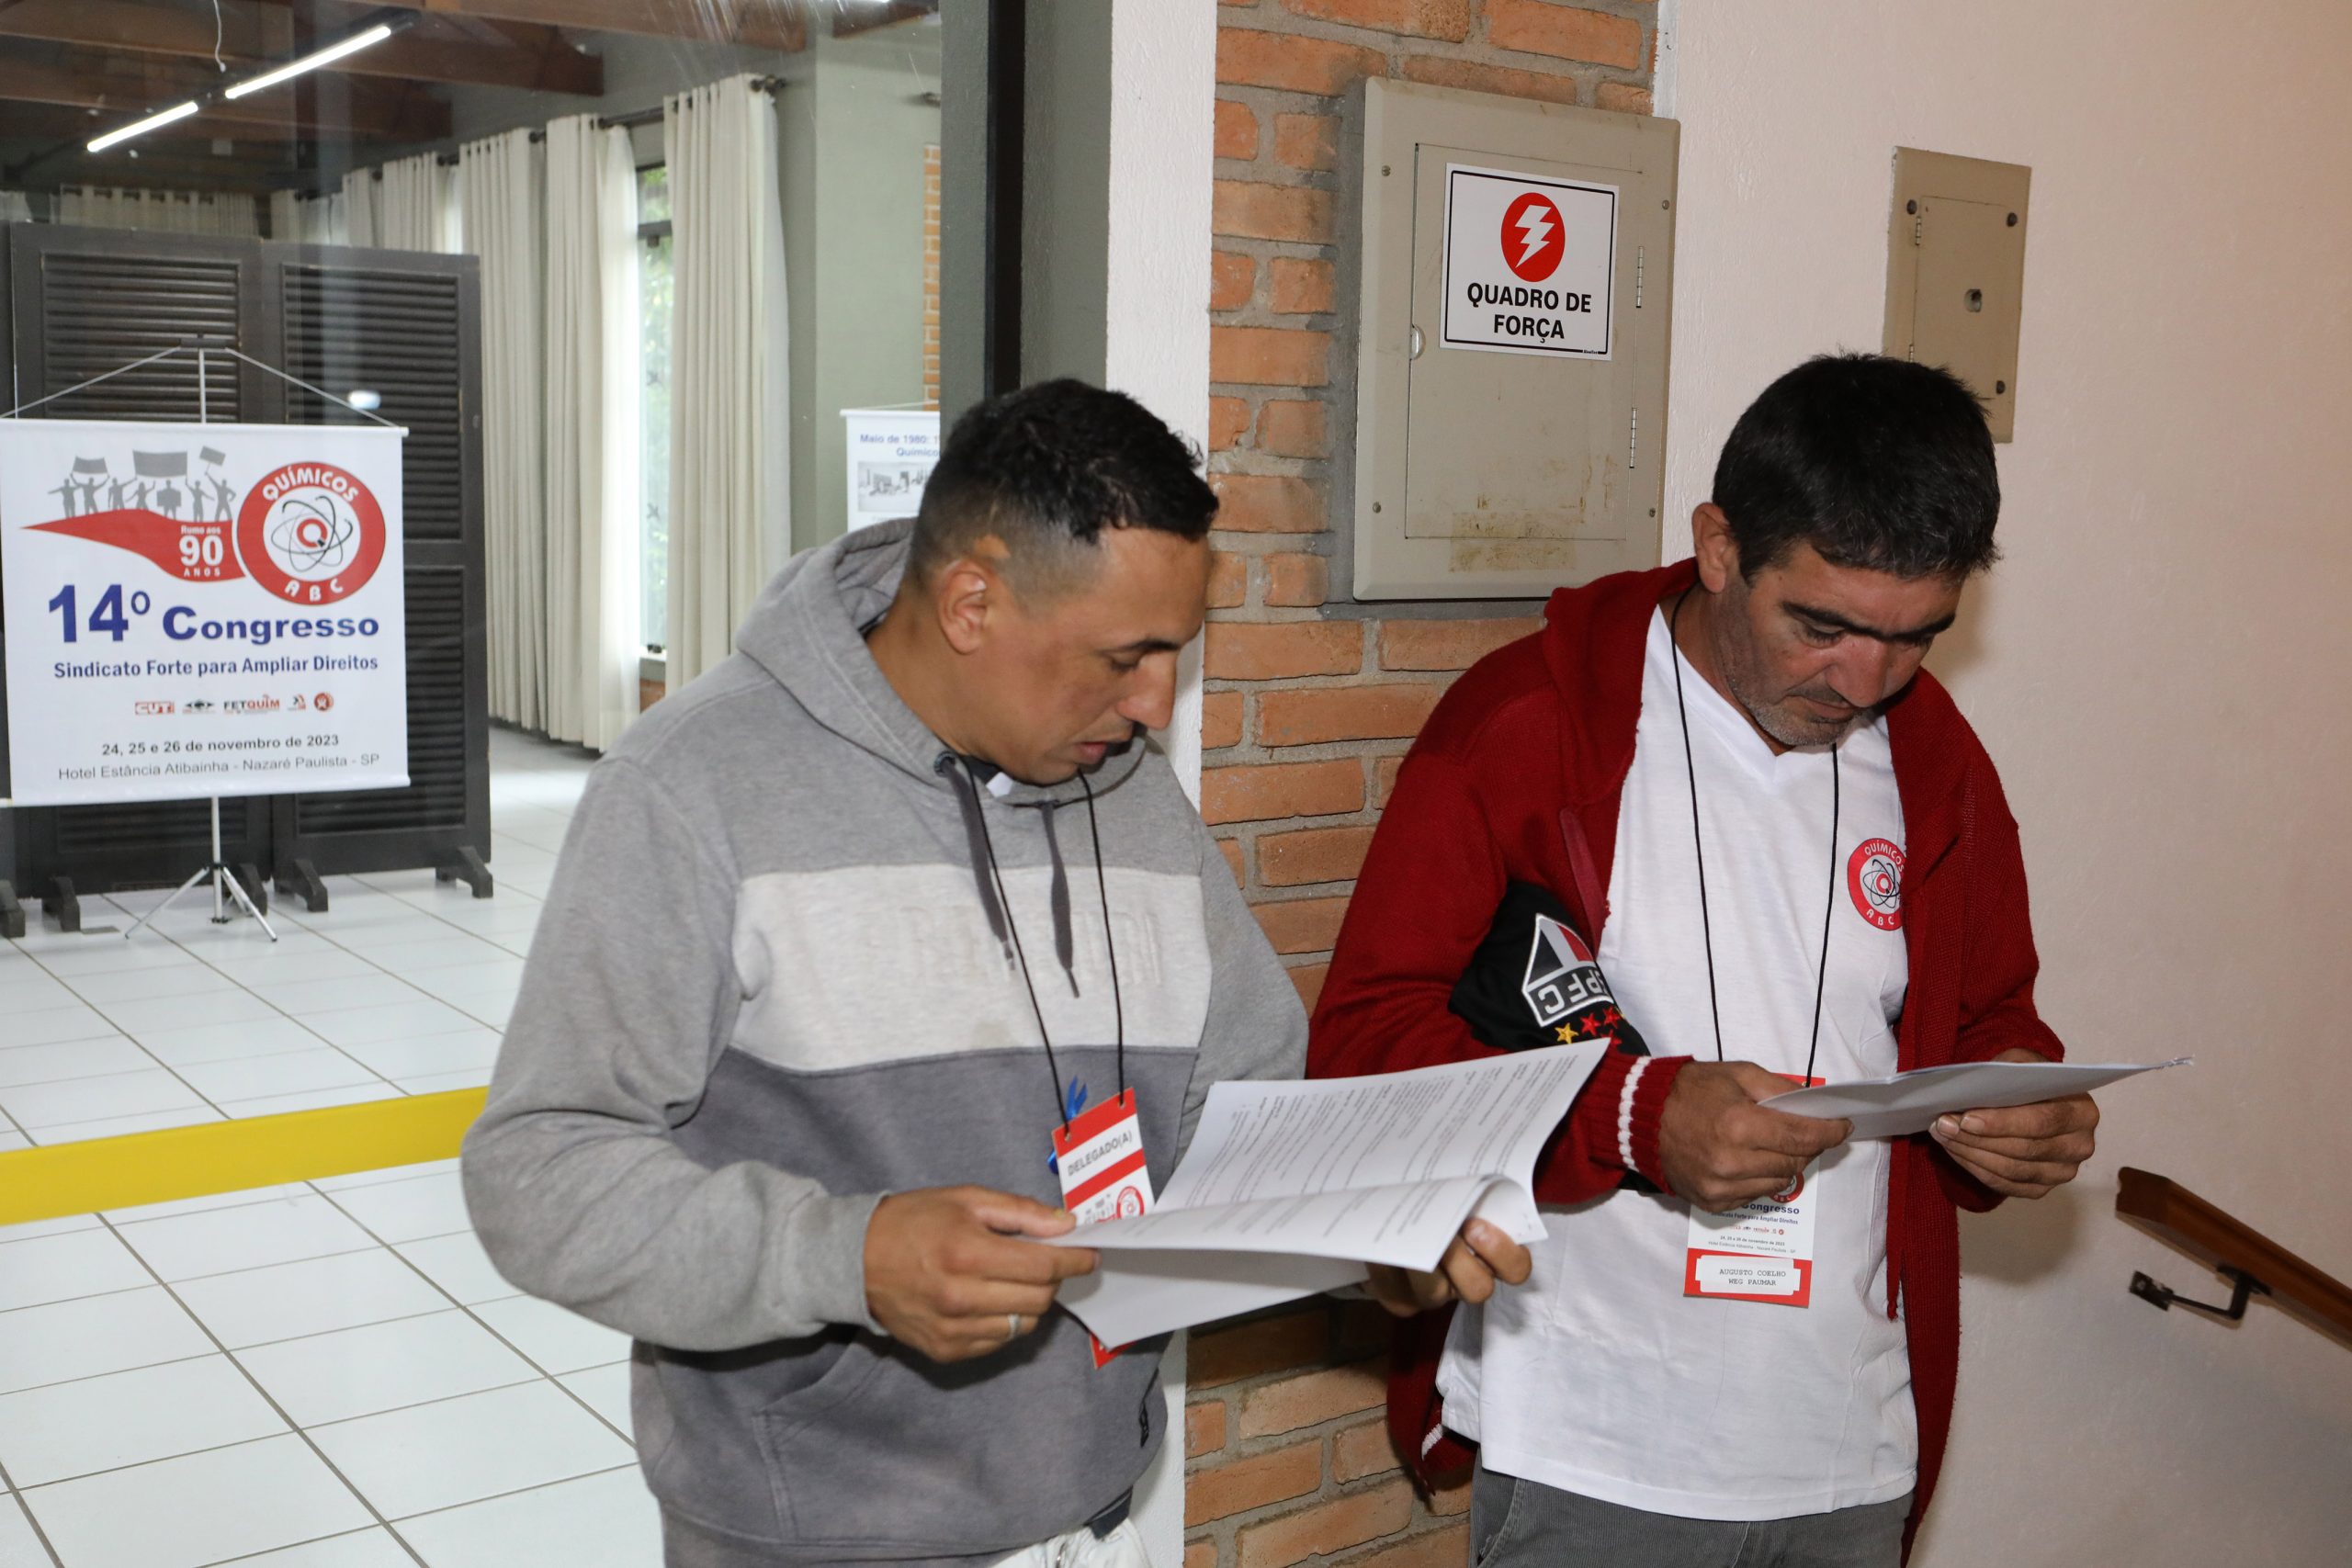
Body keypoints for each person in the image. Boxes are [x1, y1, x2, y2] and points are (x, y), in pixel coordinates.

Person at [463, 379, 1316, 1567]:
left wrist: (1371, 1238)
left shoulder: (1135, 795)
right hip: (823, 1533)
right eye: (1126, 657)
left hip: (1096, 1509)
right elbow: (536, 1171)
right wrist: (844, 1257)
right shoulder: (696, 788)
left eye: (1175, 653)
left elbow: (1249, 1100)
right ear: (972, 599)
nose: (1156, 703)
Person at [1310, 355, 2100, 1564]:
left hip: (1847, 1439)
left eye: (1915, 639)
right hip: (1592, 1438)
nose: (1864, 681)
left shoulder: (1936, 761)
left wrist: (2018, 1107)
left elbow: (1990, 1013)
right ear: (1720, 546)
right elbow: (1364, 1047)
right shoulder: (1527, 728)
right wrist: (1635, 1116)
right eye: (1822, 626)